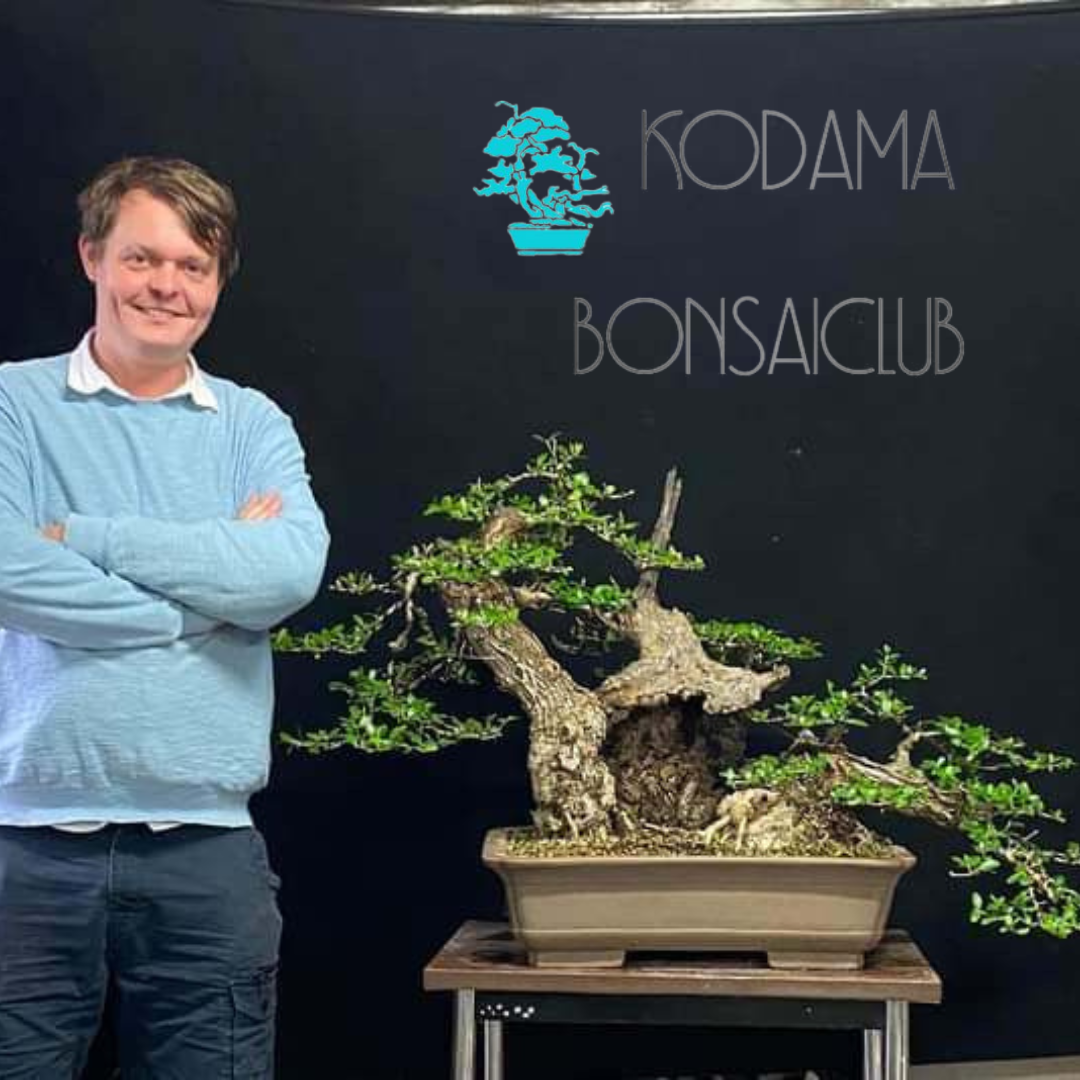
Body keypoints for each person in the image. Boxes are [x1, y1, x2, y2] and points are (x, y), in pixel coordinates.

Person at [0, 157, 330, 1079]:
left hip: (206, 854)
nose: (166, 286)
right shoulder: (12, 404)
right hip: (25, 852)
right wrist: (198, 607)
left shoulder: (251, 424)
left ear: (218, 281)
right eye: (142, 258)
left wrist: (85, 535)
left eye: (193, 265)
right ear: (91, 257)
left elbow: (286, 570)